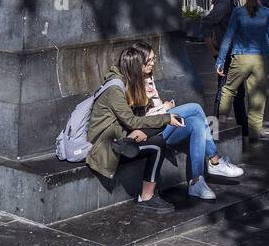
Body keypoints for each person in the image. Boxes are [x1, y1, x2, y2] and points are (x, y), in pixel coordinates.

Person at [85, 42, 243, 212]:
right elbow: (133, 120)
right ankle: (215, 160)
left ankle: (197, 182)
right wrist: (166, 115)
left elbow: (142, 114)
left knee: (197, 122)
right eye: (150, 60)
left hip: (145, 128)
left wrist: (162, 110)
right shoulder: (117, 87)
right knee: (195, 108)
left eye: (154, 59)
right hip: (122, 137)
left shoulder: (141, 78)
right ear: (138, 63)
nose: (154, 63)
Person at [215, 0, 269, 143]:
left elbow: (228, 37)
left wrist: (220, 61)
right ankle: (255, 134)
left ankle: (221, 124)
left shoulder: (238, 12)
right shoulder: (267, 13)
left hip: (240, 58)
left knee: (228, 90)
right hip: (259, 60)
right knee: (257, 98)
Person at [203, 0, 249, 138]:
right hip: (226, 54)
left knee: (239, 93)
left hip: (235, 52)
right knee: (222, 93)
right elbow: (207, 23)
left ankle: (244, 129)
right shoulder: (224, 1)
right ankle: (212, 133)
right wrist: (213, 49)